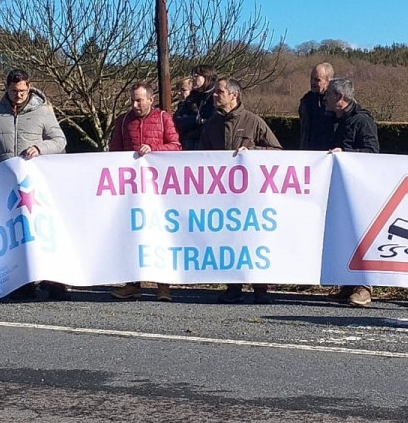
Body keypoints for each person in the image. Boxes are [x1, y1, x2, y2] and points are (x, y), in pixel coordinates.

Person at [0, 69, 69, 301]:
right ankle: (21, 283)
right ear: (6, 88)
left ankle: (54, 282)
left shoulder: (43, 112)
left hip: (37, 186)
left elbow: (59, 141)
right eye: (13, 91)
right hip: (5, 186)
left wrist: (40, 149)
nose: (18, 95)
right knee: (15, 234)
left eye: (22, 90)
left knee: (41, 232)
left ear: (29, 86)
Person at [198, 78, 282, 304]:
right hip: (222, 195)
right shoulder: (211, 125)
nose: (215, 95)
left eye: (219, 92)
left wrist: (253, 151)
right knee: (229, 240)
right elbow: (199, 157)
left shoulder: (253, 121)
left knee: (253, 240)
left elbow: (277, 151)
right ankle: (233, 286)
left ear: (234, 95)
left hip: (251, 196)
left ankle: (261, 288)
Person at [107, 82, 182, 301]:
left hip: (159, 190)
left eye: (139, 100)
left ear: (151, 99)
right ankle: (131, 284)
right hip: (131, 189)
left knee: (159, 234)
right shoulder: (123, 122)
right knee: (131, 234)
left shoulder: (163, 119)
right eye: (132, 100)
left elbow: (176, 146)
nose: (135, 104)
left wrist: (154, 149)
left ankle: (163, 287)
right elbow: (114, 153)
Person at [322, 78, 380, 306]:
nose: (323, 99)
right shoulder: (330, 120)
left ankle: (364, 286)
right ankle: (347, 283)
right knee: (342, 234)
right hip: (335, 186)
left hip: (358, 189)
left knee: (359, 234)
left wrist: (345, 153)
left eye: (327, 95)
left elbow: (372, 151)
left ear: (340, 98)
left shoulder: (362, 121)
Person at [174, 64, 218, 150]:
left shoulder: (215, 97)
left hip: (209, 145)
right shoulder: (192, 97)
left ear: (206, 76)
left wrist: (193, 122)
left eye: (196, 76)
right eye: (192, 75)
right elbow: (178, 120)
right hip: (189, 144)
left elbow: (212, 121)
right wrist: (197, 120)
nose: (193, 78)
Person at [299, 63, 336, 151]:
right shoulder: (306, 100)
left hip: (329, 153)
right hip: (308, 153)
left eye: (317, 80)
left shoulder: (336, 102)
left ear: (329, 80)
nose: (312, 82)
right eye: (311, 79)